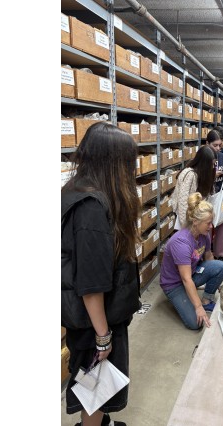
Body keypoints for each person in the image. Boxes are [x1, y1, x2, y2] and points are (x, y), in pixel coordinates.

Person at [61, 122, 141, 426]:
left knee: (97, 380)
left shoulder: (82, 191)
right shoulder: (91, 209)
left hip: (95, 317)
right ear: (112, 163)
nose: (130, 169)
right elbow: (91, 285)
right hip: (94, 321)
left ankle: (100, 422)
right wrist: (103, 336)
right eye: (127, 162)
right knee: (92, 383)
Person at [160, 192, 223, 330]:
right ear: (196, 222)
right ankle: (187, 300)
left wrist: (217, 280)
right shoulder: (181, 243)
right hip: (175, 284)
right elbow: (186, 279)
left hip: (191, 273)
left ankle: (206, 300)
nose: (211, 226)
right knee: (196, 323)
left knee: (221, 266)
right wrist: (197, 308)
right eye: (208, 223)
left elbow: (209, 258)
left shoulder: (204, 235)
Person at [170, 145, 216, 229]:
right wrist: (186, 226)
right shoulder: (189, 174)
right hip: (188, 222)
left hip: (198, 220)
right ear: (204, 163)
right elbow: (182, 201)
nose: (213, 167)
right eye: (211, 164)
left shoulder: (204, 174)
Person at [206, 130, 223, 267]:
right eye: (215, 145)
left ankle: (219, 255)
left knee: (221, 222)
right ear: (207, 143)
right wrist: (213, 175)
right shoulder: (204, 156)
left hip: (219, 194)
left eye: (219, 145)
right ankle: (207, 254)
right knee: (207, 226)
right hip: (207, 195)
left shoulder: (222, 157)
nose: (218, 148)